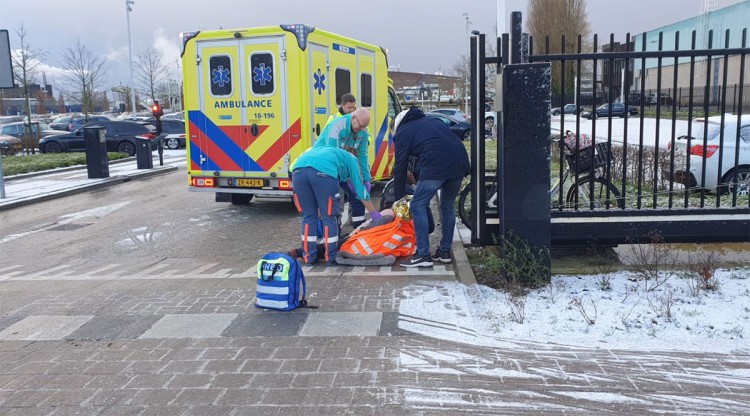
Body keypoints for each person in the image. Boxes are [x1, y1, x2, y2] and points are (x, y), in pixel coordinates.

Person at [391, 107, 470, 268]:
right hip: (460, 163)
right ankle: (444, 251)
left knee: (417, 204)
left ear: (397, 126)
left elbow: (400, 165)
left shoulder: (403, 132)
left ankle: (422, 254)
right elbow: (434, 145)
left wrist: (398, 198)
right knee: (447, 207)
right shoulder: (432, 121)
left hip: (437, 166)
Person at [292, 146, 380, 266]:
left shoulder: (331, 152)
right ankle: (331, 257)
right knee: (330, 217)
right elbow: (360, 190)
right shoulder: (352, 159)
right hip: (323, 173)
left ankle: (309, 258)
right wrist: (374, 213)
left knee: (308, 217)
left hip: (297, 172)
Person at [315, 105, 372, 228]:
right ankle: (334, 230)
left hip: (344, 168)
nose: (362, 129)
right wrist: (347, 178)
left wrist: (366, 179)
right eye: (361, 126)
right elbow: (332, 156)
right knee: (334, 199)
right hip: (325, 168)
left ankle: (358, 230)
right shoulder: (336, 126)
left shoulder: (363, 132)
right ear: (353, 118)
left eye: (364, 127)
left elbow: (362, 156)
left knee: (358, 197)